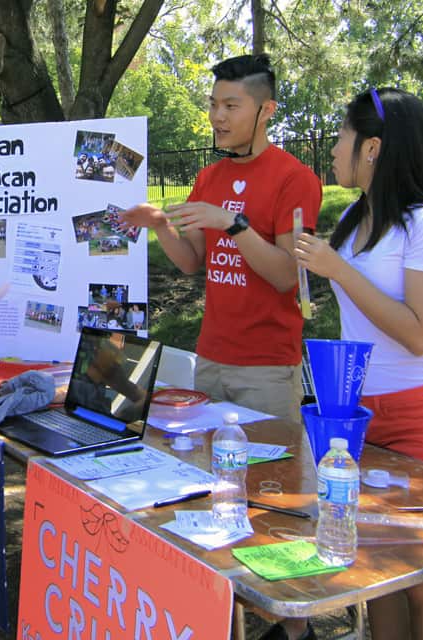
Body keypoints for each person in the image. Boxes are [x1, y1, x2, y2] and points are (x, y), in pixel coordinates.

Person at [296, 87, 423, 640]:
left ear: (373, 148)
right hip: (359, 415)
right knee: (378, 567)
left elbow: (421, 334)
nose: (333, 148)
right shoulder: (353, 218)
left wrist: (339, 271)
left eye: (343, 137)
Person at [122, 54, 321, 425]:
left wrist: (234, 224)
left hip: (267, 369)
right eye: (213, 105)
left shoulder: (295, 179)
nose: (217, 117)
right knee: (214, 472)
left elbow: (286, 275)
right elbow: (191, 261)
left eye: (231, 106)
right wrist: (161, 226)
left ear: (266, 111)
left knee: (269, 479)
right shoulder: (208, 178)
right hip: (211, 359)